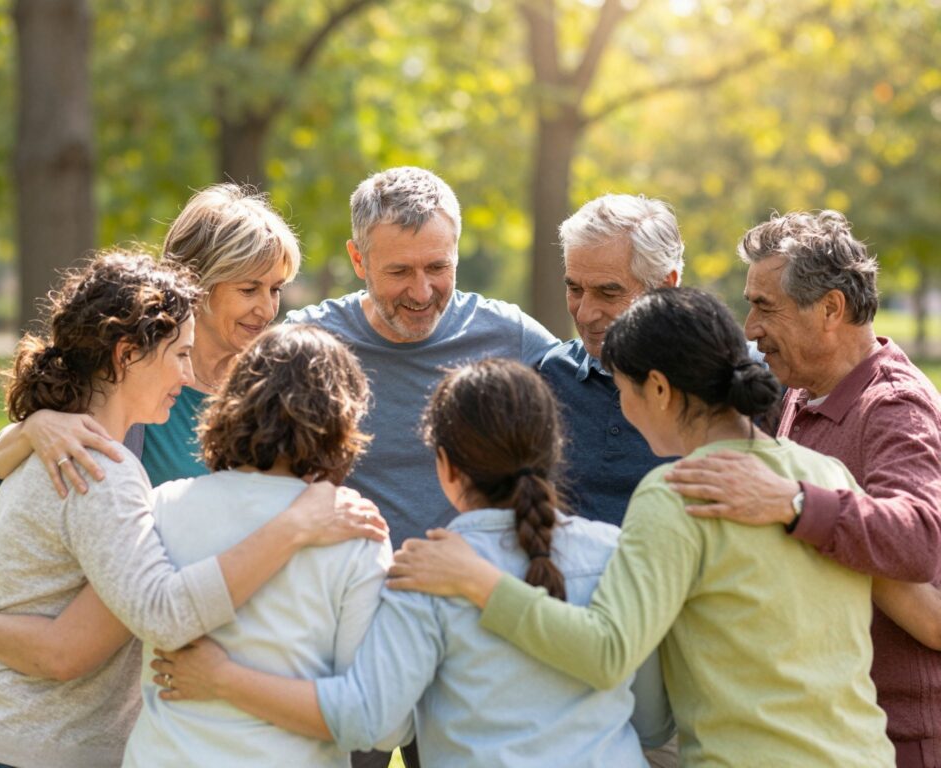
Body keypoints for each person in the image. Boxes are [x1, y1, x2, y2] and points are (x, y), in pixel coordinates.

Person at [386, 288, 896, 767]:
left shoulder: (677, 492)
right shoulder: (825, 474)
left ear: (658, 388)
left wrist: (477, 581)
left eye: (624, 391)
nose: (624, 410)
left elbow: (607, 653)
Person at [0, 254, 383, 768]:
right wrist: (293, 525)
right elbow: (161, 614)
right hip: (37, 750)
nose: (188, 373)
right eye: (179, 355)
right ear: (127, 354)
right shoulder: (101, 469)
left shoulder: (48, 443)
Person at [151, 358, 674, 767]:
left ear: (445, 466)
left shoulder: (423, 574)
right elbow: (652, 723)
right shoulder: (613, 550)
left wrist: (223, 678)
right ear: (553, 450)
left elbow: (371, 721)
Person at [286, 165, 557, 768]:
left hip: (468, 627)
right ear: (359, 260)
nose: (422, 290)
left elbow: (599, 395)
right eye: (399, 271)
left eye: (438, 267)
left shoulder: (509, 337)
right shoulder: (308, 341)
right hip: (348, 630)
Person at [662, 211, 941, 767]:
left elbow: (918, 538)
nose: (749, 327)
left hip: (900, 740)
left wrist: (791, 504)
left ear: (831, 309)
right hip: (828, 731)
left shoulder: (893, 405)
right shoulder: (800, 393)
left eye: (765, 306)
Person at [0, 183, 304, 490]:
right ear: (196, 282)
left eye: (275, 289)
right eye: (249, 290)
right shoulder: (135, 367)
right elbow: (2, 467)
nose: (267, 309)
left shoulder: (274, 380)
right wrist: (34, 429)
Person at [538, 193, 683, 526]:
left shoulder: (727, 382)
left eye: (608, 292)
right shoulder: (552, 375)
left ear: (665, 285)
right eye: (574, 289)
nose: (585, 314)